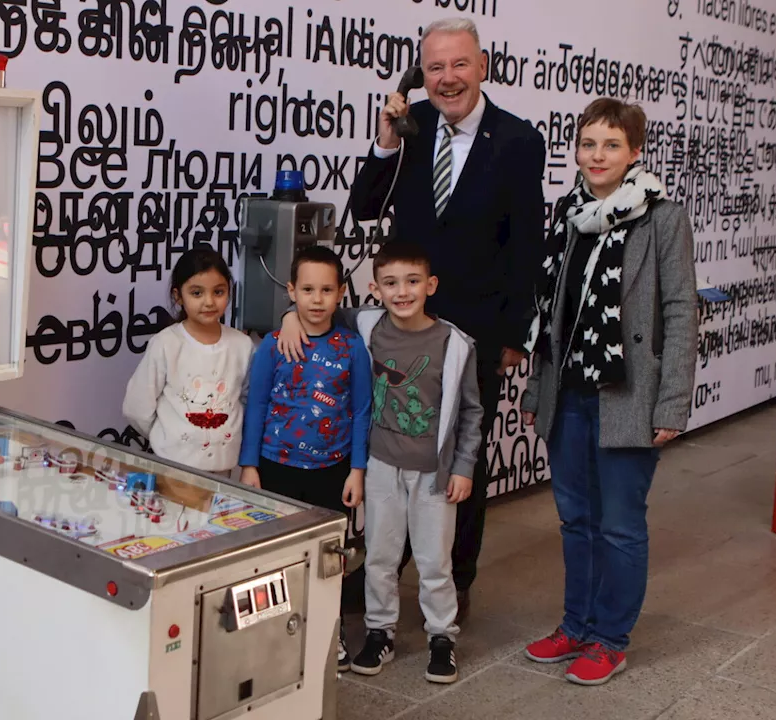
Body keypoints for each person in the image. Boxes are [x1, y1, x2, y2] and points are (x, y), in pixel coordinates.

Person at [277, 17, 546, 618]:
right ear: (418, 75)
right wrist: (386, 141)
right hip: (401, 325)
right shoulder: (414, 126)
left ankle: (456, 581)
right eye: (433, 68)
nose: (446, 79)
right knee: (389, 446)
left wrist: (510, 334)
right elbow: (366, 206)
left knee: (457, 458)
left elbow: (528, 245)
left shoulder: (519, 140)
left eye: (458, 64)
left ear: (482, 65)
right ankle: (380, 567)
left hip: (473, 328)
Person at [519, 98, 697, 686]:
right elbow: (553, 312)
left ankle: (611, 639)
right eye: (588, 143)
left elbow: (678, 313)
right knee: (575, 519)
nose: (597, 156)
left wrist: (671, 402)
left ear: (635, 152)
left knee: (620, 523)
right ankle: (577, 624)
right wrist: (537, 389)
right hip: (569, 392)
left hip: (627, 395)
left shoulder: (662, 218)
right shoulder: (569, 211)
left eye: (611, 145)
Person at [338, 240, 483, 684]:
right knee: (380, 555)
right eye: (391, 283)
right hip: (381, 465)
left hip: (433, 475)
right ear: (374, 287)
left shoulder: (454, 344)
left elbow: (471, 411)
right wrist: (288, 316)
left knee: (434, 559)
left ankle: (442, 635)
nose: (402, 292)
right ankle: (380, 631)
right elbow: (318, 312)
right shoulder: (366, 326)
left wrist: (463, 466)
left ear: (431, 285)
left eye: (413, 281)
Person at [238, 245, 371, 672]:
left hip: (331, 471)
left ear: (341, 292)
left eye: (327, 289)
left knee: (329, 559)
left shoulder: (352, 348)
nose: (317, 299)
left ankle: (331, 636)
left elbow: (362, 411)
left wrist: (357, 470)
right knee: (274, 559)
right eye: (308, 289)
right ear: (291, 291)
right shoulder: (274, 346)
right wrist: (249, 464)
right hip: (275, 468)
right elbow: (255, 404)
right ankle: (274, 638)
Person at [123, 246, 253, 475]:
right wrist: (169, 436)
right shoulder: (166, 343)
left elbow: (247, 401)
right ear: (178, 296)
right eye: (197, 293)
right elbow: (137, 407)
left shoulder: (242, 346)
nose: (209, 302)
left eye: (218, 292)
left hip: (224, 470)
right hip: (173, 467)